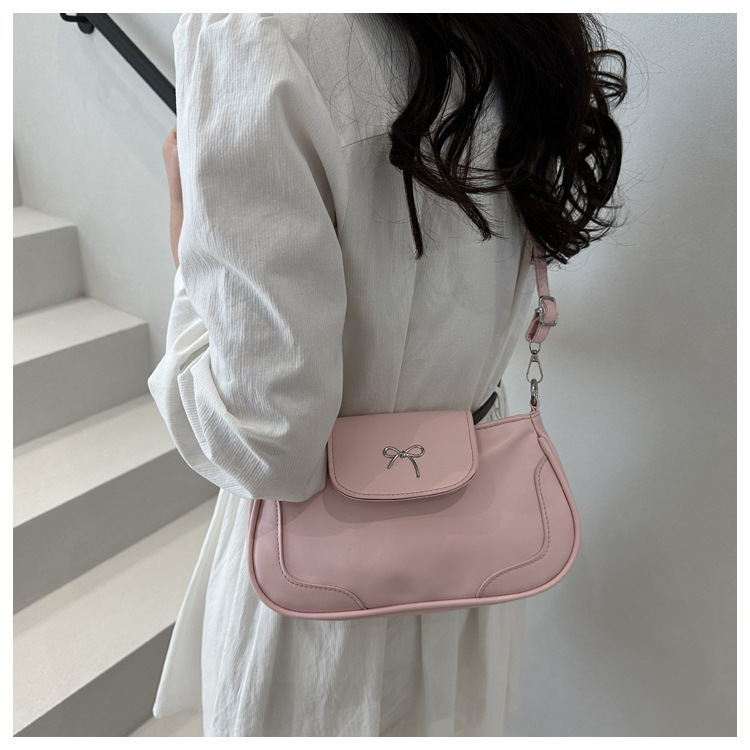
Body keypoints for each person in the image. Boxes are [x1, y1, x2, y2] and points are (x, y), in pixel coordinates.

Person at [149, 13, 625, 737]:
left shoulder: (253, 29)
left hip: (322, 616)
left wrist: (189, 248)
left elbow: (267, 444)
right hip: (467, 568)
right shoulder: (514, 28)